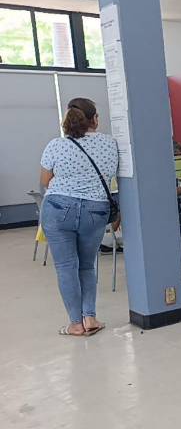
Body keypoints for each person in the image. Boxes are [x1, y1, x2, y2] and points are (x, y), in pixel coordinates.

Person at [40, 98, 118, 337]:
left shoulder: (56, 145)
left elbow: (45, 181)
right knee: (87, 265)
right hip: (95, 210)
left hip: (58, 208)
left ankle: (75, 323)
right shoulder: (110, 144)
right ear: (95, 119)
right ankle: (90, 317)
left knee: (66, 267)